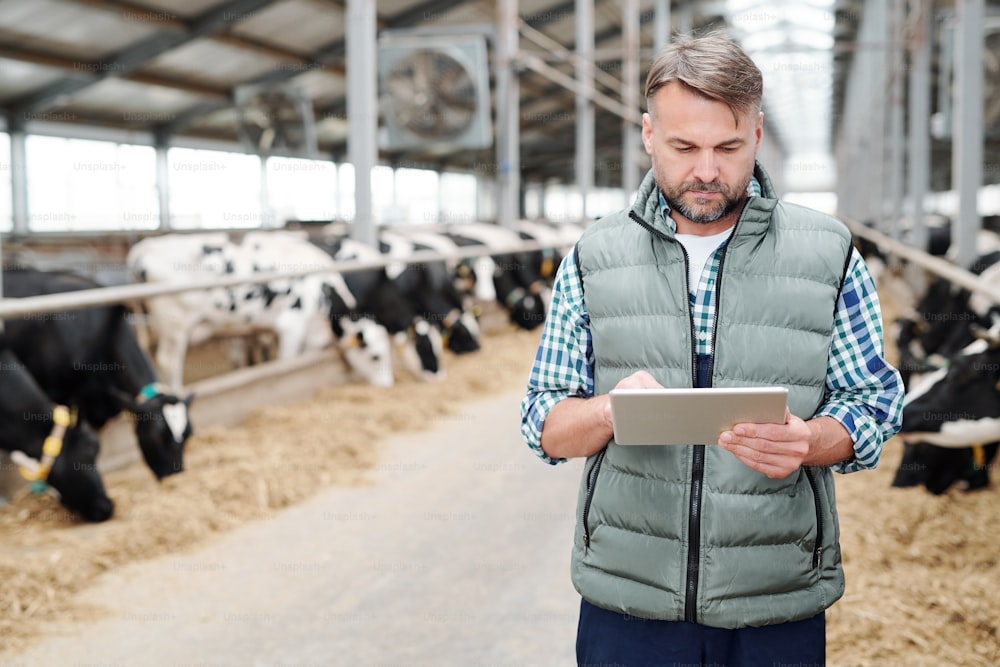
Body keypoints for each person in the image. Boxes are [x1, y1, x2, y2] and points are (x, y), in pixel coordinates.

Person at [519, 32, 904, 666]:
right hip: (627, 601)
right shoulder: (594, 255)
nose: (705, 170)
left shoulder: (828, 253)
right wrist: (606, 412)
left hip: (774, 602)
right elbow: (544, 425)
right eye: (683, 146)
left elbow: (874, 406)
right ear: (648, 136)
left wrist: (811, 439)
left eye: (727, 147)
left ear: (756, 135)